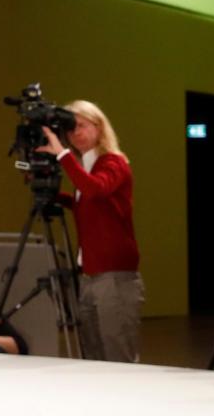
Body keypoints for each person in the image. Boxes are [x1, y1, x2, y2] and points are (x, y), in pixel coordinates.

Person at [36, 100, 143, 363]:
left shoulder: (113, 162)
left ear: (99, 126)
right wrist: (54, 196)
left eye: (81, 125)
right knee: (93, 353)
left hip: (114, 275)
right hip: (90, 274)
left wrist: (62, 155)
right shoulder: (86, 165)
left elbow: (96, 189)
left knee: (117, 353)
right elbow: (89, 205)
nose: (75, 133)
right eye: (70, 129)